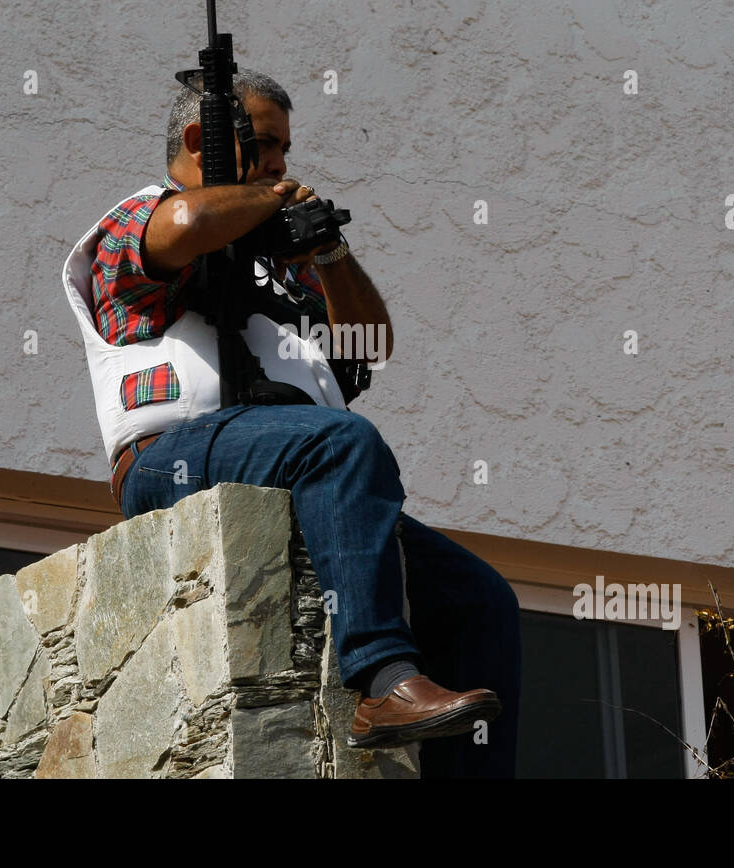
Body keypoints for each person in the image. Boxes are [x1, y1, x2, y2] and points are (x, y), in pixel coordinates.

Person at [64, 69, 522, 777]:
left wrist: (327, 252)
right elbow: (187, 226)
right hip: (172, 458)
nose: (282, 164)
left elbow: (368, 347)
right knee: (344, 444)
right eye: (267, 145)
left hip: (290, 461)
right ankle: (382, 682)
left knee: (479, 596)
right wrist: (267, 203)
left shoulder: (278, 263)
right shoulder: (148, 215)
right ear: (201, 141)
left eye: (285, 149)